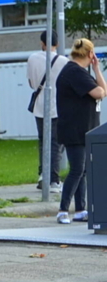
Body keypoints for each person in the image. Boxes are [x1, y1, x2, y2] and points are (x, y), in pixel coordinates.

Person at [55, 38, 106, 224]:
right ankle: (62, 210)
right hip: (75, 129)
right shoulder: (74, 72)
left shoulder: (77, 72)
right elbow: (99, 93)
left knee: (82, 170)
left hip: (81, 128)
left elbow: (104, 90)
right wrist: (96, 69)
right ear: (90, 54)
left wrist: (96, 70)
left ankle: (80, 210)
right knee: (77, 169)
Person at [27, 30, 66, 193]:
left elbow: (31, 84)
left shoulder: (32, 58)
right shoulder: (64, 61)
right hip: (57, 107)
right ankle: (54, 181)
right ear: (57, 44)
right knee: (56, 144)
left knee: (43, 141)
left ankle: (43, 175)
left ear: (42, 43)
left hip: (39, 106)